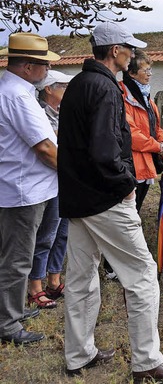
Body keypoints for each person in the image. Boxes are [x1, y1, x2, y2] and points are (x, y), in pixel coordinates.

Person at [58, 22, 163, 380]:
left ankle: (78, 355)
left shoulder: (78, 85)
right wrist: (126, 183)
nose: (133, 54)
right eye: (128, 49)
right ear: (114, 51)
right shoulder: (103, 88)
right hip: (104, 197)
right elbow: (105, 149)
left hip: (78, 197)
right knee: (143, 274)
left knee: (82, 278)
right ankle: (147, 361)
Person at [0, 32, 59, 345]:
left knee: (17, 255)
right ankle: (8, 325)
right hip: (24, 191)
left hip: (26, 188)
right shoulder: (18, 96)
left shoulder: (14, 90)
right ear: (26, 67)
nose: (47, 71)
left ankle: (13, 310)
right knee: (17, 259)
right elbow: (46, 149)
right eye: (43, 65)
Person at [27, 70, 74, 310]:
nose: (66, 91)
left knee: (63, 231)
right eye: (63, 87)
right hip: (48, 179)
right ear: (48, 89)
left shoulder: (63, 113)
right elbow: (51, 144)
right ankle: (35, 285)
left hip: (64, 178)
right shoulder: (38, 113)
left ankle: (54, 279)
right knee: (46, 234)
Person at [119, 50, 163, 212]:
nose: (150, 74)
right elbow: (131, 134)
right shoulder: (122, 96)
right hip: (131, 164)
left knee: (137, 207)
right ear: (132, 73)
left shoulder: (145, 97)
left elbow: (156, 127)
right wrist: (157, 146)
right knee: (128, 210)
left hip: (146, 161)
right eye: (146, 70)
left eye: (150, 70)